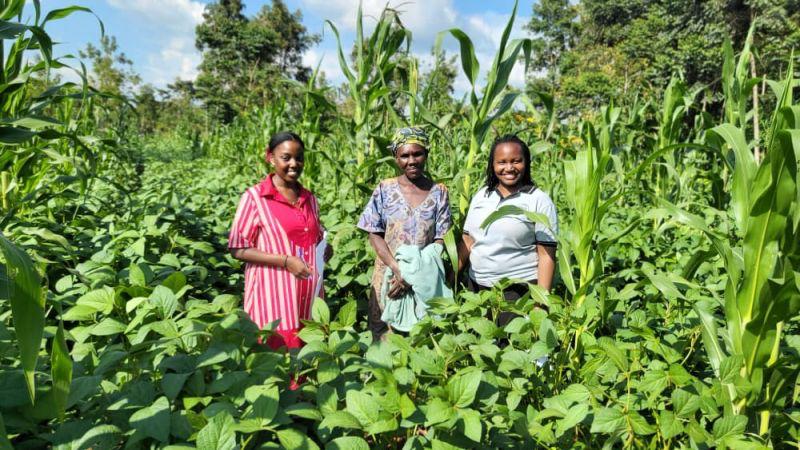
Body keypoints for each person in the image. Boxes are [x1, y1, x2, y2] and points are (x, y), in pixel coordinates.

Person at [228, 131, 330, 352]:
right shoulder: (255, 198)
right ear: (270, 157)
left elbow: (315, 237)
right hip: (273, 298)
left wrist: (324, 249)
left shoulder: (309, 198)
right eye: (286, 158)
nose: (294, 164)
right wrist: (285, 260)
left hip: (309, 298)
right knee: (276, 363)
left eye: (299, 157)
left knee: (308, 363)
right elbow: (237, 247)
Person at [358, 127, 452, 340]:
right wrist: (397, 269)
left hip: (424, 277)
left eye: (417, 154)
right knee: (383, 337)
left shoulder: (439, 192)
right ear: (395, 158)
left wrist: (412, 274)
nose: (412, 160)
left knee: (422, 338)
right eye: (404, 155)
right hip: (388, 277)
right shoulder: (385, 189)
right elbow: (374, 233)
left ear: (426, 154)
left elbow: (441, 238)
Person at [459, 134, 558, 326]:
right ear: (492, 165)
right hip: (477, 288)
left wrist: (541, 303)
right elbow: (468, 240)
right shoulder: (482, 196)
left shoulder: (538, 200)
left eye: (516, 161)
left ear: (526, 163)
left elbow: (546, 256)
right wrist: (452, 277)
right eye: (501, 162)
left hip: (517, 292)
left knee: (513, 348)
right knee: (480, 347)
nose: (509, 168)